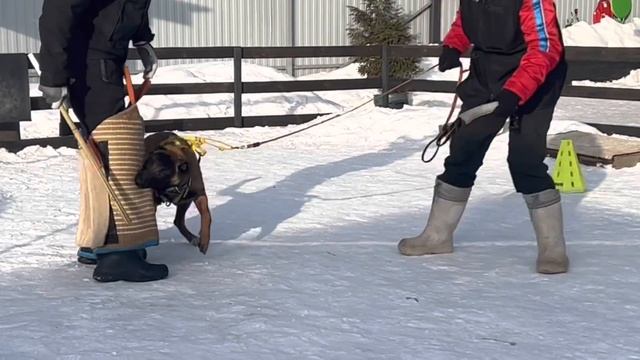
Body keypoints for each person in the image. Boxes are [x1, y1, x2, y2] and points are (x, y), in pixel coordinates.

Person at [398, 0, 570, 274]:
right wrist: (453, 45)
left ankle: (553, 248)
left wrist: (514, 92)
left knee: (525, 160)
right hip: (487, 72)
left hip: (536, 74)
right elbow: (467, 22)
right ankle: (437, 236)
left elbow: (545, 48)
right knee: (463, 150)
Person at [38, 0, 167, 282]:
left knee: (101, 149)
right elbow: (57, 11)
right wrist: (52, 75)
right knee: (113, 153)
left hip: (106, 60)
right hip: (89, 64)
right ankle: (117, 255)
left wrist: (143, 39)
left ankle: (95, 241)